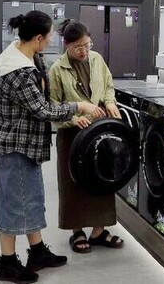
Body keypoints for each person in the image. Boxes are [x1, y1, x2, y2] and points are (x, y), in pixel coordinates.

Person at [0, 11, 105, 284]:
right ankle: (7, 263)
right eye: (50, 34)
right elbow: (42, 109)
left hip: (28, 145)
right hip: (16, 146)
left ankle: (37, 252)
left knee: (31, 200)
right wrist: (79, 106)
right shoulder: (17, 72)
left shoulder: (31, 57)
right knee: (13, 204)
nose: (53, 38)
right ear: (38, 38)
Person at [48, 19, 125, 254]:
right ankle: (77, 230)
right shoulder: (57, 69)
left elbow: (108, 85)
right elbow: (52, 105)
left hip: (99, 131)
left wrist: (110, 102)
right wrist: (73, 118)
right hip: (72, 134)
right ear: (66, 45)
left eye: (87, 45)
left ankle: (99, 230)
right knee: (73, 182)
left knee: (102, 178)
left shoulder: (97, 59)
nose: (84, 51)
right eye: (78, 47)